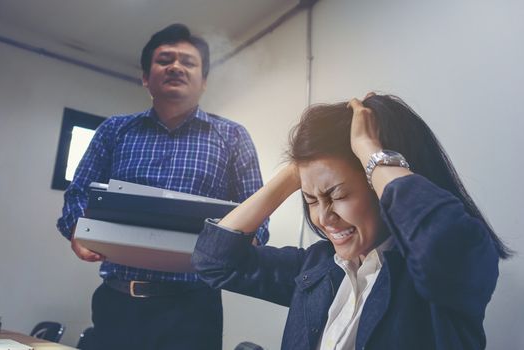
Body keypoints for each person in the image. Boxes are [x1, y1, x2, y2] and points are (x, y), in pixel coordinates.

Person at [192, 94, 509, 350]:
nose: (324, 217)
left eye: (337, 194)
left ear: (377, 184)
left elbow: (437, 243)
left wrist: (370, 152)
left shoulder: (454, 262)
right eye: (312, 201)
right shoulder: (317, 267)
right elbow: (215, 261)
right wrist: (296, 169)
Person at [57, 23, 268, 350]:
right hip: (117, 302)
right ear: (145, 77)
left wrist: (248, 241)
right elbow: (78, 192)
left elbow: (258, 209)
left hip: (194, 309)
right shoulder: (115, 130)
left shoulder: (233, 137)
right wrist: (76, 230)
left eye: (188, 62)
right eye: (165, 59)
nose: (176, 67)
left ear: (204, 81)